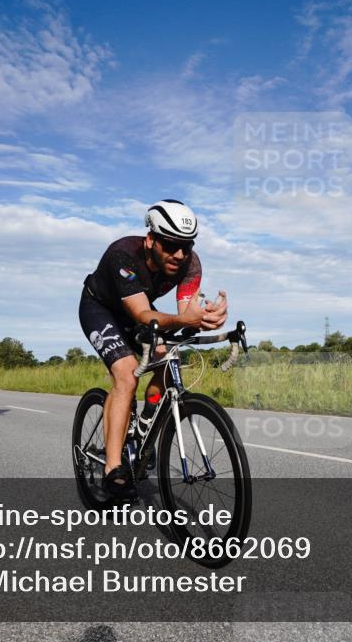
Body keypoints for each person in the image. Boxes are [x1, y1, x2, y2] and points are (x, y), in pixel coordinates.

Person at [79, 199, 228, 497]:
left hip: (141, 311)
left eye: (186, 246)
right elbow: (141, 314)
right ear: (150, 240)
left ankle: (145, 421)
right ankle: (113, 470)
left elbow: (185, 314)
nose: (180, 254)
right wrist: (184, 319)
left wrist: (205, 318)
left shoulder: (190, 263)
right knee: (126, 375)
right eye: (170, 245)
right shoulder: (123, 255)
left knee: (168, 355)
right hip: (101, 309)